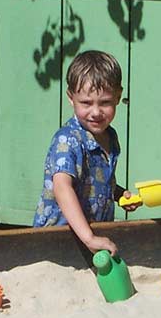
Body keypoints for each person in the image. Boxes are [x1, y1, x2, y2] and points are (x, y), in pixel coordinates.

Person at [33, 50, 140, 256]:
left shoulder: (110, 136)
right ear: (71, 98)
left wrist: (117, 193)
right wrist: (88, 237)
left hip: (93, 232)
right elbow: (63, 187)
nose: (96, 112)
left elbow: (92, 179)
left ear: (118, 97)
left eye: (105, 102)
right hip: (59, 235)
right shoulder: (68, 140)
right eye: (86, 103)